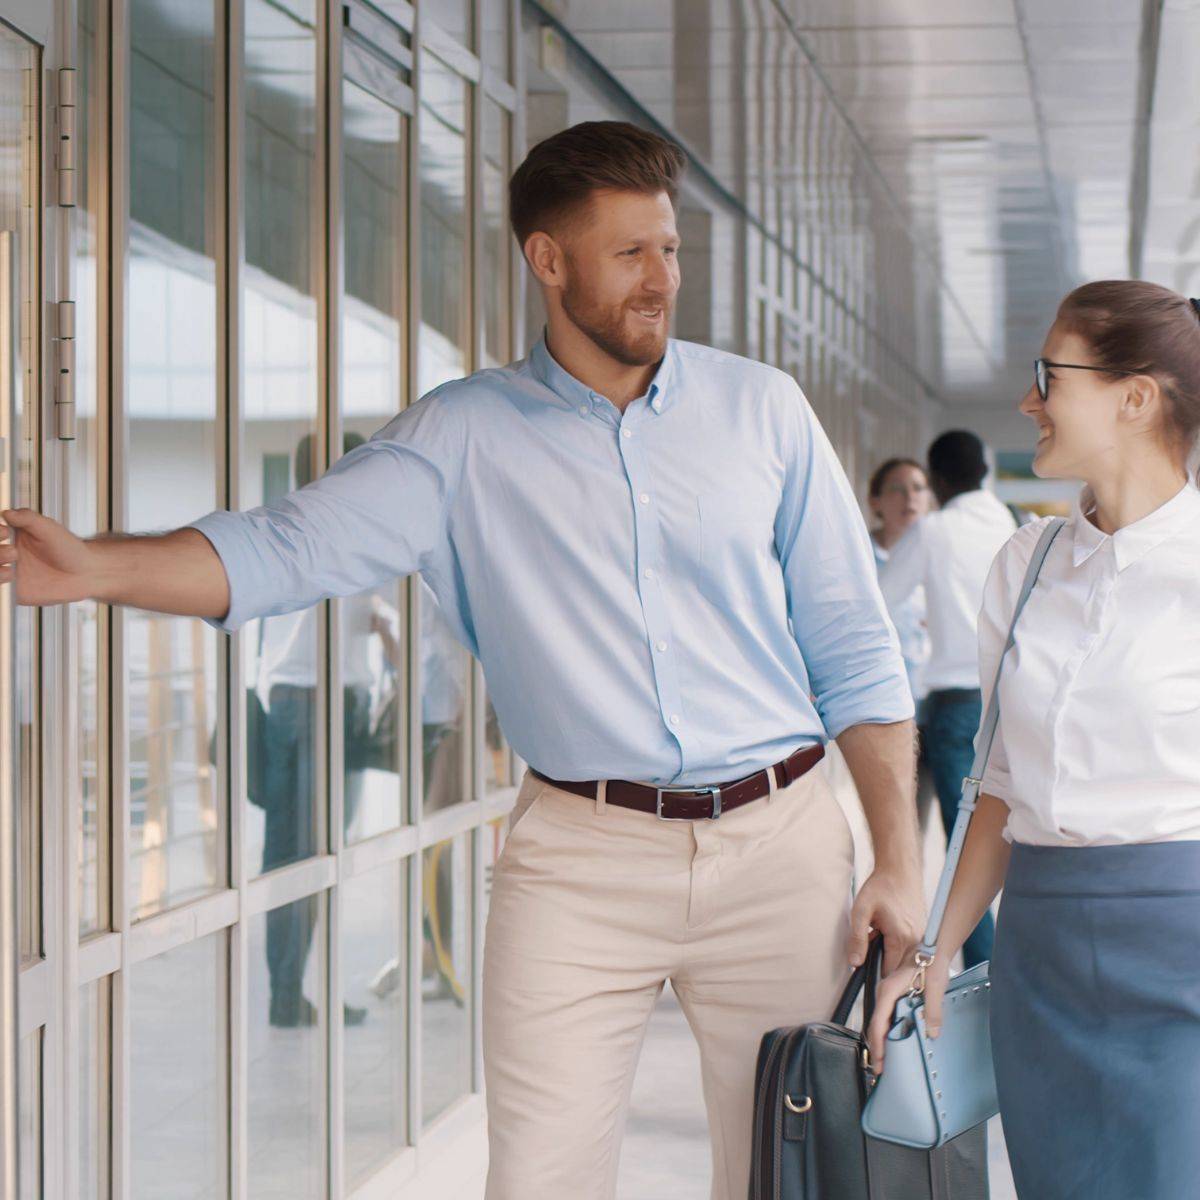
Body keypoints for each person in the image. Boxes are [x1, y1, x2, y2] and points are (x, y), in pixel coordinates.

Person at [1, 121, 922, 1200]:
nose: (660, 282)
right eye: (629, 254)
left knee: (796, 1178)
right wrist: (94, 567)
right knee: (537, 1179)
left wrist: (897, 861)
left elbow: (856, 649)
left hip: (782, 847)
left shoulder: (760, 409)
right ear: (548, 259)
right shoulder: (462, 437)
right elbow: (286, 547)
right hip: (581, 863)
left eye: (669, 251)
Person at [869, 280, 1200, 1199]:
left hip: (1182, 952)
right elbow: (998, 785)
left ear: (1135, 398)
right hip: (1041, 955)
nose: (1029, 402)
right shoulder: (1026, 563)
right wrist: (934, 953)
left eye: (1049, 377)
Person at [878, 430, 1016, 969]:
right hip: (1003, 702)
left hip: (952, 706)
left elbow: (877, 602)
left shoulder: (935, 531)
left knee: (957, 851)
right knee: (976, 843)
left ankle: (985, 974)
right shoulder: (1013, 522)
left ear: (936, 481)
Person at [867, 458, 932, 702]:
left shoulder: (940, 558)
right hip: (877, 696)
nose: (909, 498)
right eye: (897, 489)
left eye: (918, 488)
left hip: (928, 698)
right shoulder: (859, 558)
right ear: (875, 502)